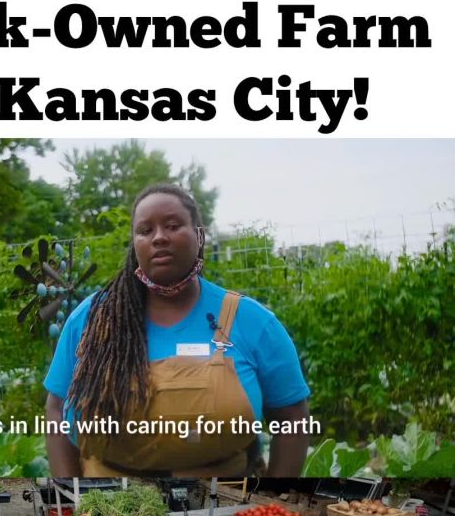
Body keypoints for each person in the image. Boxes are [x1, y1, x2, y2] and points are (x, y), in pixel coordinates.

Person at [44, 184, 311, 477]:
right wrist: (70, 492)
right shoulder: (93, 319)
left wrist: (275, 497)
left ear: (199, 235)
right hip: (110, 506)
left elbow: (291, 416)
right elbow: (56, 409)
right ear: (135, 243)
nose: (159, 237)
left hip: (225, 500)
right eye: (145, 231)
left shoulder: (250, 321)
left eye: (172, 225)